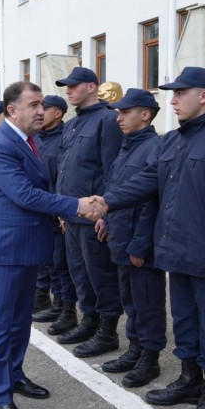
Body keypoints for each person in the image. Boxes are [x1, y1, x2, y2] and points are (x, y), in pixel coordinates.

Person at [87, 67, 205, 409]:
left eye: (179, 94)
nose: (172, 101)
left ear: (203, 95)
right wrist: (107, 201)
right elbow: (146, 181)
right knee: (185, 320)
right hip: (175, 249)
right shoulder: (172, 141)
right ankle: (189, 380)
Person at [0, 81, 93, 409]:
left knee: (20, 320)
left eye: (42, 104)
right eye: (34, 104)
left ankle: (14, 374)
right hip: (2, 249)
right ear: (12, 110)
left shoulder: (26, 140)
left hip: (24, 247)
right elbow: (25, 195)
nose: (42, 111)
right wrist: (76, 206)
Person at [54, 66, 124, 358]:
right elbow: (65, 167)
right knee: (80, 273)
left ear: (92, 87)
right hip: (71, 213)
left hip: (93, 215)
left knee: (100, 274)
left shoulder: (108, 120)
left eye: (73, 86)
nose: (68, 91)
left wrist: (106, 214)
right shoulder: (72, 124)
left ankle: (107, 333)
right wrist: (62, 208)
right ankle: (89, 321)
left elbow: (112, 170)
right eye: (67, 87)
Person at [100, 88, 167, 389]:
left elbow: (151, 202)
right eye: (118, 112)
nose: (119, 118)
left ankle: (150, 359)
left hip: (138, 245)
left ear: (145, 115)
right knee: (130, 300)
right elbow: (115, 188)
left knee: (147, 302)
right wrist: (105, 219)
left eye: (125, 112)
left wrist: (141, 244)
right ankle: (135, 349)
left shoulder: (154, 147)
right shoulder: (128, 146)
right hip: (121, 237)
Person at [32, 95, 77, 326]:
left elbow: (64, 176)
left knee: (61, 263)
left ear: (58, 113)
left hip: (57, 210)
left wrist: (62, 210)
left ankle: (66, 310)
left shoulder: (64, 138)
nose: (40, 112)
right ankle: (52, 303)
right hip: (40, 209)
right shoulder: (37, 138)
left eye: (45, 109)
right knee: (47, 260)